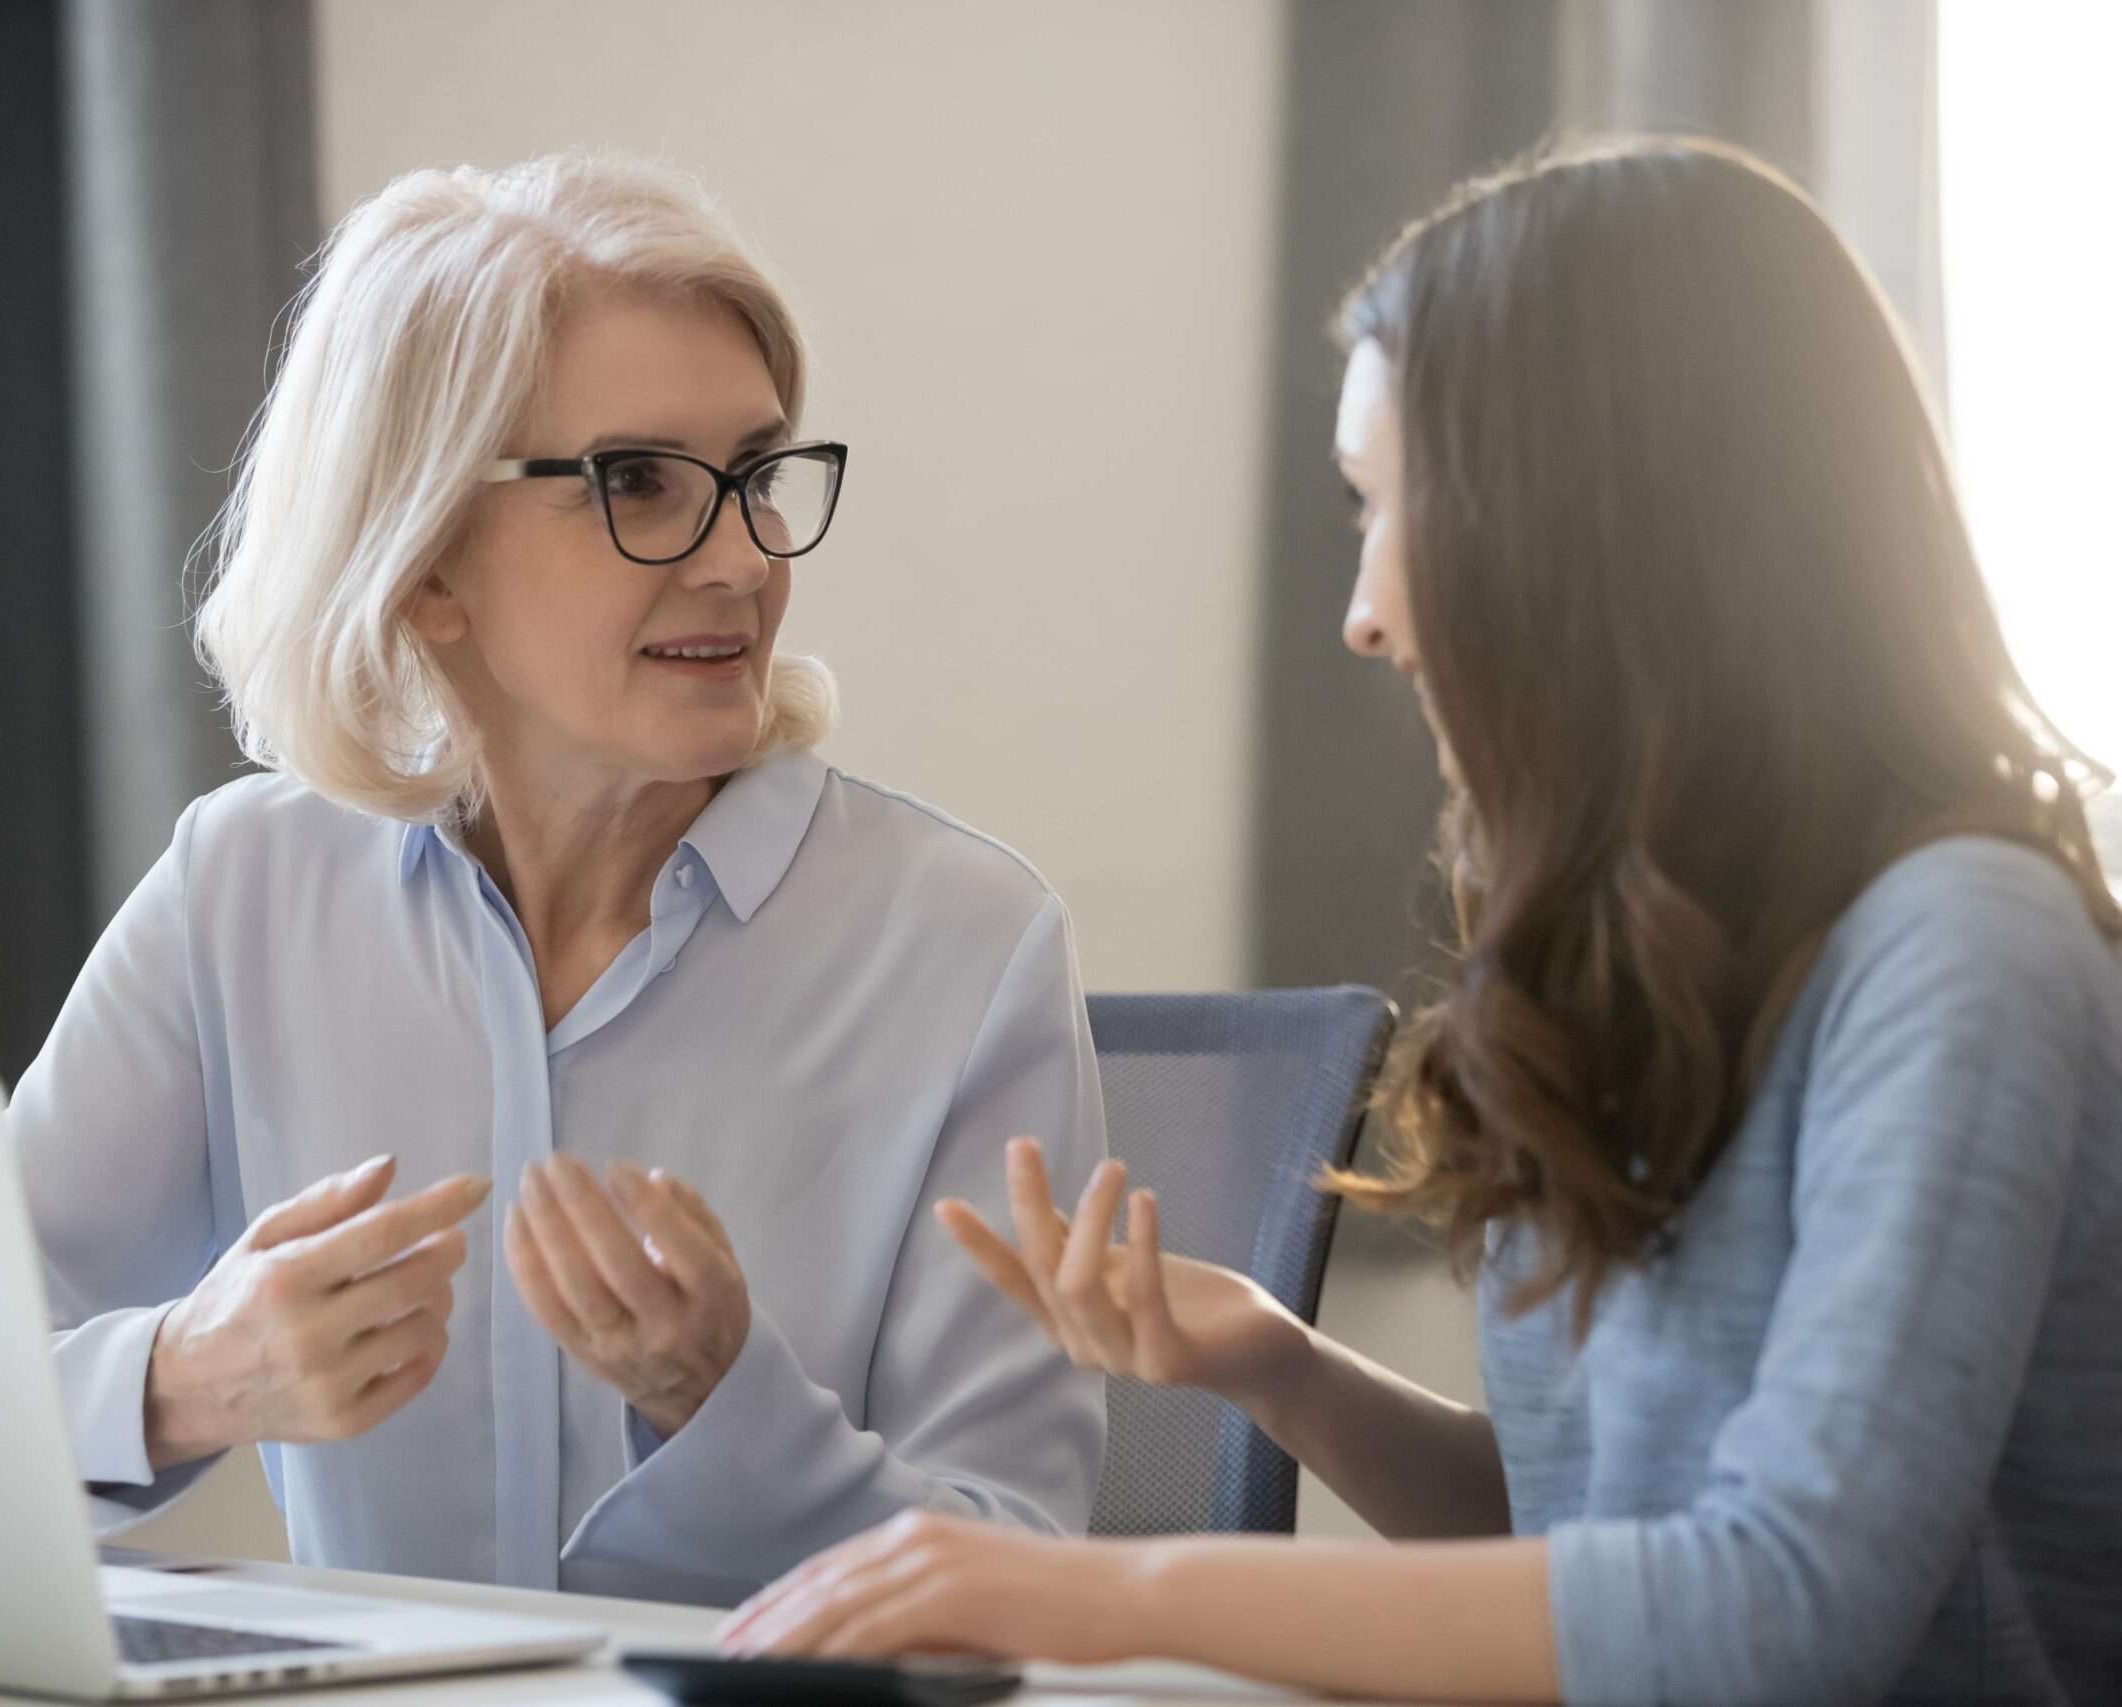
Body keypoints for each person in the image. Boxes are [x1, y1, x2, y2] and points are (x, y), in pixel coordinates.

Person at [722, 138, 2122, 1705]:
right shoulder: (1638, 947)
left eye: (1394, 507)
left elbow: (1775, 1614)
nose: (1366, 609)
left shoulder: (1964, 949)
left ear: (1596, 524)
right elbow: (1588, 1541)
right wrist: (1279, 1367)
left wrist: (1097, 1591)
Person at [7, 150, 1106, 1607]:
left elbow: (1020, 1576)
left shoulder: (970, 945)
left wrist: (726, 1408)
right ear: (424, 558)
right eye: (639, 483)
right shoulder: (243, 889)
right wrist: (187, 1379)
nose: (739, 560)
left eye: (756, 475)